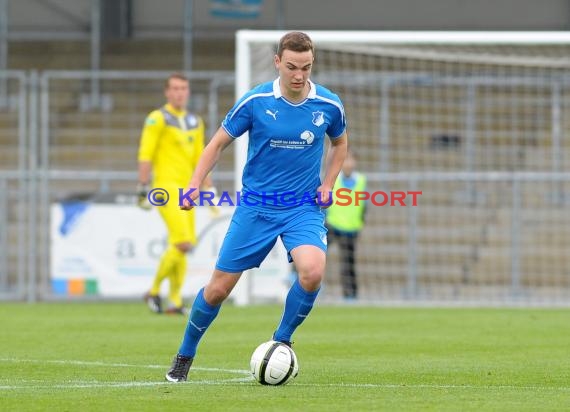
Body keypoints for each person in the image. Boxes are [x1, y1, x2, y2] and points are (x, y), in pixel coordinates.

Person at [165, 31, 348, 382]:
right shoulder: (256, 100)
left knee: (312, 272)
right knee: (219, 289)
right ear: (277, 62)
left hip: (301, 208)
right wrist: (193, 185)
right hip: (256, 207)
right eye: (292, 67)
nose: (299, 75)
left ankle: (281, 342)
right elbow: (217, 144)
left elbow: (340, 144)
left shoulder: (328, 104)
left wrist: (328, 183)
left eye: (306, 68)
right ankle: (185, 355)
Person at [137, 73, 216, 315]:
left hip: (188, 191)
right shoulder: (157, 118)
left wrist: (208, 189)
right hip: (165, 189)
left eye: (184, 88)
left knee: (181, 245)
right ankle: (152, 290)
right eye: (175, 88)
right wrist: (142, 187)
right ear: (167, 92)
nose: (180, 92)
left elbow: (200, 159)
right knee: (183, 242)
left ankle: (175, 301)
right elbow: (146, 153)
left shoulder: (195, 121)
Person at [325, 150, 367, 300]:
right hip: (332, 225)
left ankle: (350, 295)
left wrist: (360, 222)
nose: (348, 163)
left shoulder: (361, 180)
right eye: (345, 160)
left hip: (350, 228)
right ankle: (305, 282)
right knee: (315, 253)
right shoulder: (333, 179)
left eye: (351, 160)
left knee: (348, 263)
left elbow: (364, 205)